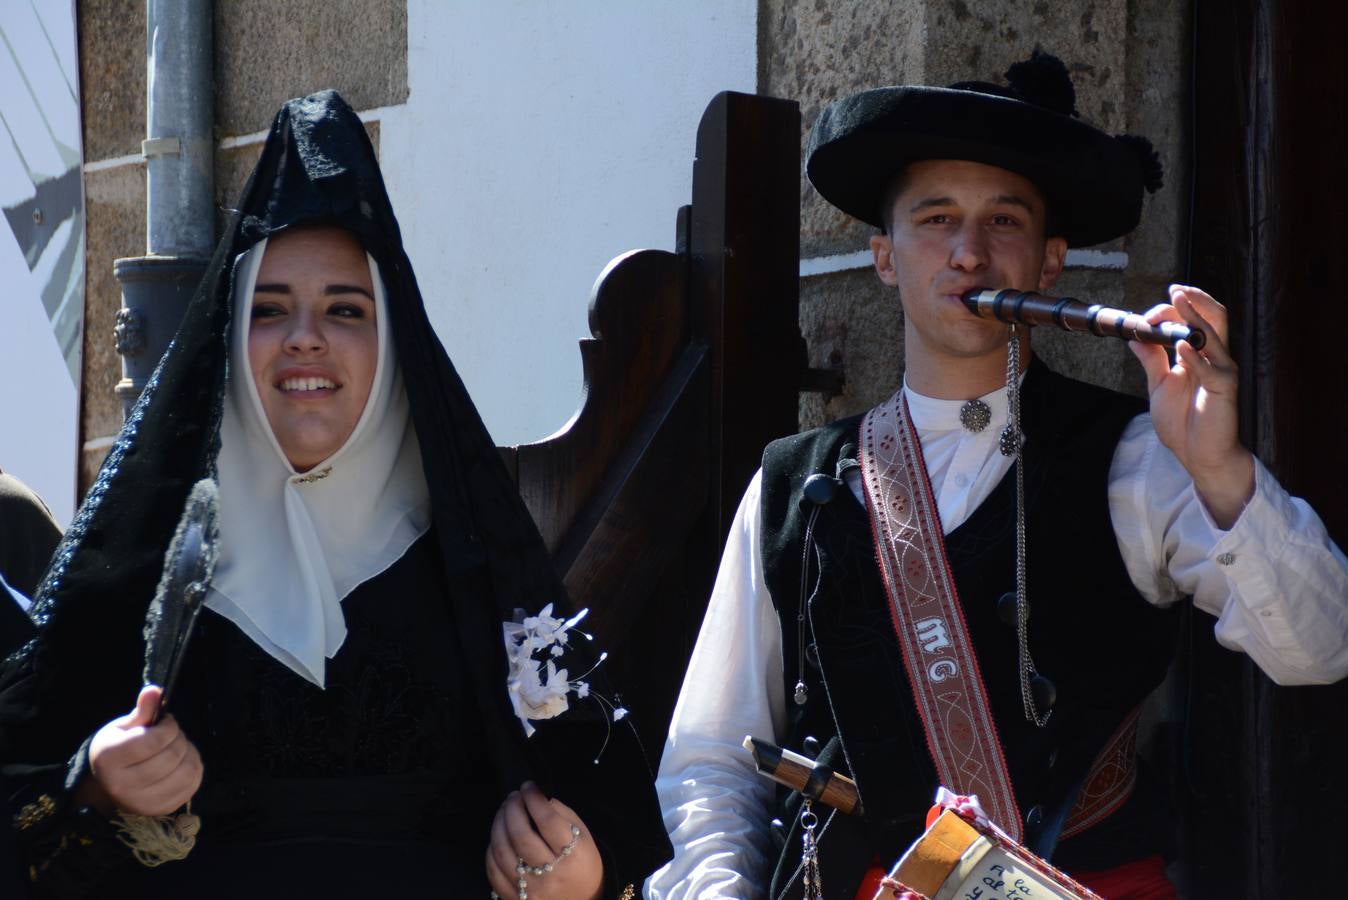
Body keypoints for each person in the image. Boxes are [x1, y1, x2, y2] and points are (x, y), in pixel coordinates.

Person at [646, 52, 1348, 900]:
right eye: (936, 219)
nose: (970, 254)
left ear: (1050, 264)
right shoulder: (794, 486)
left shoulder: (1137, 463)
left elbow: (1321, 649)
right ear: (884, 256)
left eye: (1004, 222)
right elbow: (712, 762)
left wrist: (1220, 468)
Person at [0, 90, 669, 899]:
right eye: (269, 309)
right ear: (226, 337)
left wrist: (574, 866)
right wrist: (95, 781)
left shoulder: (469, 560)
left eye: (345, 309)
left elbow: (608, 825)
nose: (304, 337)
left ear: (393, 347)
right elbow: (24, 794)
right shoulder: (148, 565)